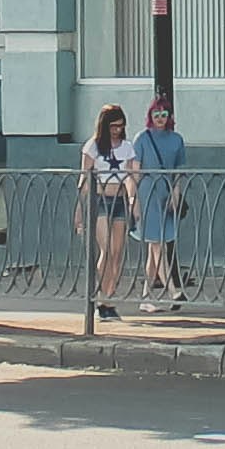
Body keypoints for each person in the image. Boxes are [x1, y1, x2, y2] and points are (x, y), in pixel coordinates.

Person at [132, 97, 192, 305]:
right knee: (157, 245)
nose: (159, 118)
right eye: (155, 114)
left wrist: (175, 193)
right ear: (150, 117)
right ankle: (173, 290)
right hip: (147, 193)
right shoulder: (142, 138)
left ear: (169, 117)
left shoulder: (177, 140)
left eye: (163, 114)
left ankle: (146, 296)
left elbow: (178, 171)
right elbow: (135, 173)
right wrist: (134, 201)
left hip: (166, 193)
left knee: (155, 245)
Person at [81, 105, 137, 317]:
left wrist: (133, 201)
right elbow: (85, 178)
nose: (117, 130)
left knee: (116, 252)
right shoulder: (93, 146)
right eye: (113, 126)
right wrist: (80, 208)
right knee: (105, 248)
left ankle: (109, 295)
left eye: (121, 126)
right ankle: (103, 299)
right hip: (100, 198)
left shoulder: (127, 147)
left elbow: (133, 175)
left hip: (120, 199)